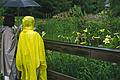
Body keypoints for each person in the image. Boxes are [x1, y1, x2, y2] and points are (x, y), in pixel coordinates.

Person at [0, 14, 18, 80]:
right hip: (9, 56)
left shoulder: (6, 29)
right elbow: (9, 47)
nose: (15, 21)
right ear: (11, 21)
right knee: (11, 72)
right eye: (14, 20)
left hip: (6, 55)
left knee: (8, 74)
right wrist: (17, 35)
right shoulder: (8, 32)